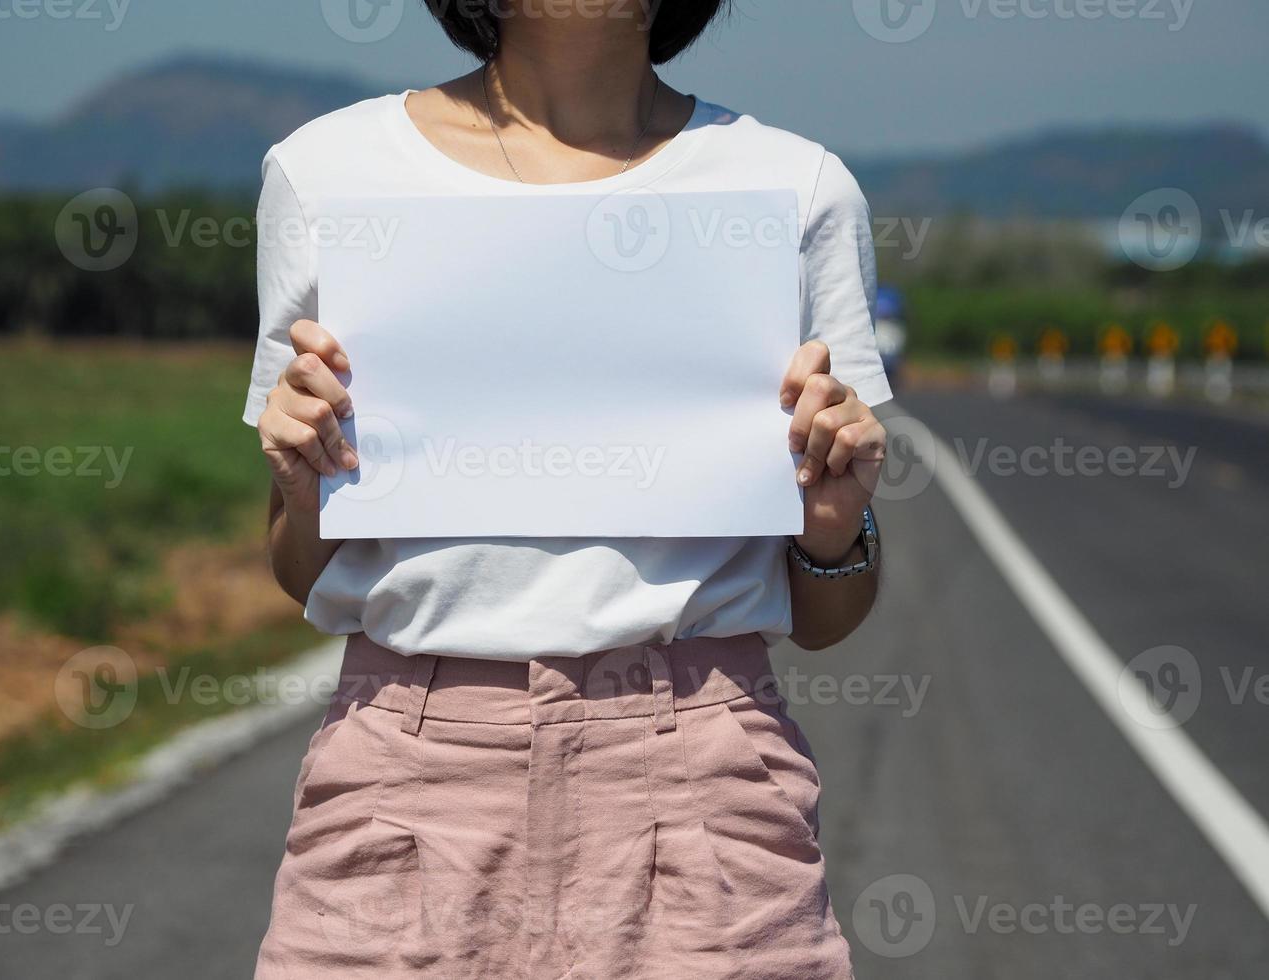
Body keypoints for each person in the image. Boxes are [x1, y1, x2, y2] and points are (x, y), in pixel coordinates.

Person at [245, 2, 891, 976]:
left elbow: (826, 617)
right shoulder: (325, 174)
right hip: (408, 767)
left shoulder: (795, 189)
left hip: (704, 769)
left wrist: (833, 528)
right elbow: (301, 569)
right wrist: (302, 491)